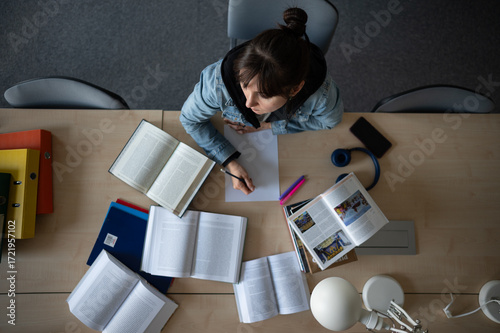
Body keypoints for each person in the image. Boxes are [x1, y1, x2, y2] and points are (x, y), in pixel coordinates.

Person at [180, 7, 344, 195]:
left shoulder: (321, 94)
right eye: (244, 84)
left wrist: (268, 127)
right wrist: (229, 162)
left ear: (295, 89)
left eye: (264, 95)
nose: (249, 103)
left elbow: (331, 122)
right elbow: (190, 120)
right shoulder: (216, 84)